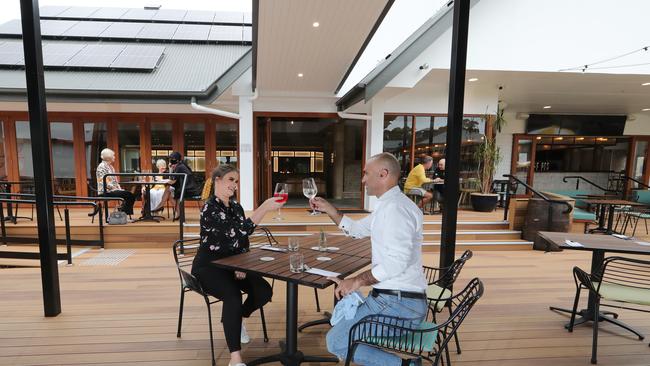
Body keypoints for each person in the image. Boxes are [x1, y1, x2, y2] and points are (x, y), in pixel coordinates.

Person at [310, 152, 428, 366]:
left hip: (399, 305)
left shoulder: (396, 210)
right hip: (395, 300)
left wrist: (356, 281)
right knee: (342, 331)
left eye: (366, 174)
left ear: (383, 174)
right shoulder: (388, 205)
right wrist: (329, 208)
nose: (362, 179)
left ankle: (406, 365)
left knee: (336, 341)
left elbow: (395, 263)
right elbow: (355, 229)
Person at [191, 164, 285, 366]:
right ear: (217, 180)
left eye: (236, 181)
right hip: (209, 266)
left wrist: (241, 265)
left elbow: (242, 242)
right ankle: (235, 358)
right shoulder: (210, 209)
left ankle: (237, 318)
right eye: (231, 180)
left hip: (233, 264)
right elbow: (238, 233)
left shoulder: (236, 207)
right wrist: (265, 208)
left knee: (263, 291)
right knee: (232, 297)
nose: (234, 185)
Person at [96, 148, 137, 217]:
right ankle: (123, 212)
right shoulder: (102, 167)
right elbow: (103, 182)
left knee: (130, 195)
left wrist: (119, 188)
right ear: (108, 157)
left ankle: (122, 211)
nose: (114, 157)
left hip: (112, 190)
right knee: (129, 195)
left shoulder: (110, 167)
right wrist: (116, 189)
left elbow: (115, 181)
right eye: (113, 155)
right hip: (106, 191)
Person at [167, 151, 200, 220]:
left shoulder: (179, 167)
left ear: (177, 160)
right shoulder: (181, 165)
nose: (171, 162)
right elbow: (175, 180)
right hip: (188, 188)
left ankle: (159, 207)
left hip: (189, 189)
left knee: (169, 191)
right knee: (168, 191)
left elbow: (173, 181)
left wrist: (171, 169)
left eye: (172, 160)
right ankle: (179, 213)